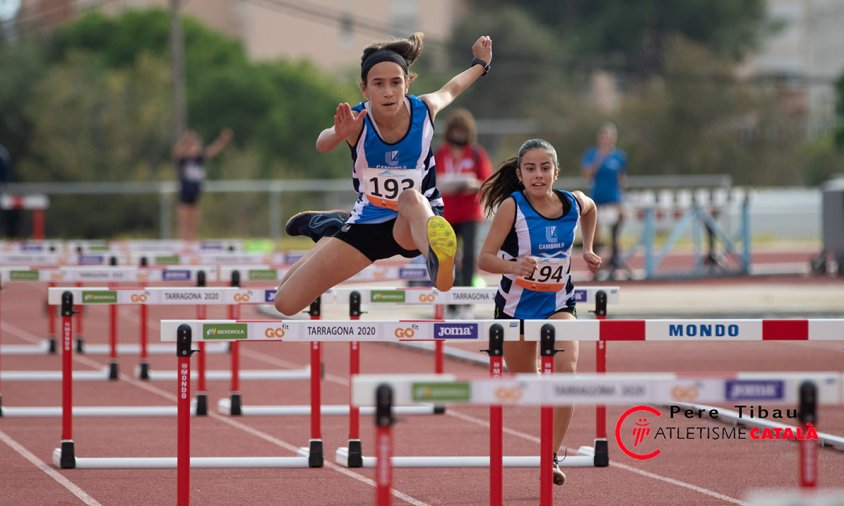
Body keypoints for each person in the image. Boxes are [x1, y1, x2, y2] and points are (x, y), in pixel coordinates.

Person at [274, 32, 493, 317]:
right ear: (364, 89)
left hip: (413, 223)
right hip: (368, 222)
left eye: (395, 82)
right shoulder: (357, 120)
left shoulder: (424, 109)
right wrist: (339, 133)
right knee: (285, 303)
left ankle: (438, 260)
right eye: (378, 84)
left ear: (408, 83)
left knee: (412, 198)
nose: (388, 92)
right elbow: (322, 143)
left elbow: (452, 89)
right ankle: (332, 229)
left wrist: (481, 63)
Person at [477, 138, 601, 486]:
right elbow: (483, 259)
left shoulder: (572, 202)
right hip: (515, 310)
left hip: (559, 304)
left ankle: (551, 454)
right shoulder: (511, 208)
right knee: (527, 382)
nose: (538, 174)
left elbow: (592, 210)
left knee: (567, 373)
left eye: (545, 167)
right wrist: (514, 266)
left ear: (556, 172)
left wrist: (588, 248)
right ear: (519, 174)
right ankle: (547, 405)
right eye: (530, 168)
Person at [434, 109, 492, 317]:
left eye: (462, 131)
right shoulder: (440, 153)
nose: (458, 135)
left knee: (468, 257)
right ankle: (450, 302)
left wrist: (471, 184)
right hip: (447, 211)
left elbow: (487, 182)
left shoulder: (476, 153)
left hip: (470, 212)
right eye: (455, 130)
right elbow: (432, 180)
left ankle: (467, 301)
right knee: (447, 258)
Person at [580, 122, 627, 279]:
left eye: (609, 136)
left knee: (615, 235)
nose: (606, 139)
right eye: (604, 136)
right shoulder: (592, 154)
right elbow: (587, 175)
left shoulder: (619, 156)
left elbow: (621, 180)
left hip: (613, 200)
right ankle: (595, 269)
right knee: (595, 236)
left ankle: (614, 265)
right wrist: (600, 158)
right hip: (596, 201)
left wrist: (622, 202)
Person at [172, 127, 233, 241]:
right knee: (184, 222)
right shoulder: (183, 159)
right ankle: (183, 242)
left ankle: (192, 241)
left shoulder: (199, 159)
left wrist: (222, 140)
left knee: (194, 222)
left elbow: (212, 151)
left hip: (196, 193)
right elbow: (175, 151)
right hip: (185, 193)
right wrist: (185, 140)